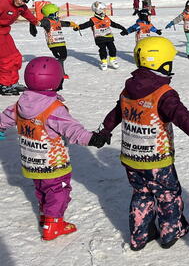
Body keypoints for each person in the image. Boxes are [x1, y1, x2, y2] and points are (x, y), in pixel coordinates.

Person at [96, 37, 189, 251]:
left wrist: (104, 130)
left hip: (132, 159)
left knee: (141, 194)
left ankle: (140, 235)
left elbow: (116, 112)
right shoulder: (163, 93)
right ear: (161, 63)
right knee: (167, 194)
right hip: (157, 160)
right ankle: (171, 231)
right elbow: (183, 117)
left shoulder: (128, 89)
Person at [0, 57, 108, 240]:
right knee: (58, 191)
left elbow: (4, 118)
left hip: (31, 161)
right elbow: (71, 129)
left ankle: (45, 215)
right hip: (53, 163)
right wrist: (92, 138)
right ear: (56, 82)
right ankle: (53, 224)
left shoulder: (20, 104)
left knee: (41, 188)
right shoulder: (53, 109)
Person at [0, 0, 38, 95]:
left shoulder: (20, 6)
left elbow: (26, 13)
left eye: (24, 1)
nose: (20, 2)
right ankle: (4, 84)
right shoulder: (2, 2)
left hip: (4, 32)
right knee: (5, 60)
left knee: (15, 57)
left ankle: (12, 82)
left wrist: (36, 23)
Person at [76, 1, 128, 71]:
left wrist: (122, 28)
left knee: (112, 49)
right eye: (103, 9)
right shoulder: (93, 20)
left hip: (109, 37)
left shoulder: (106, 17)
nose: (104, 11)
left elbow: (113, 24)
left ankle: (112, 59)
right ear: (98, 10)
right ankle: (104, 62)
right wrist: (78, 27)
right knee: (103, 50)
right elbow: (86, 25)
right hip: (99, 38)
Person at [36, 4, 79, 78]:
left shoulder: (57, 21)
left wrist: (73, 24)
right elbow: (40, 23)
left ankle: (58, 71)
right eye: (56, 13)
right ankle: (60, 72)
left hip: (61, 43)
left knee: (62, 57)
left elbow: (65, 23)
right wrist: (34, 23)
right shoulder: (47, 21)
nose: (57, 15)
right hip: (53, 44)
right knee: (61, 58)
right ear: (50, 14)